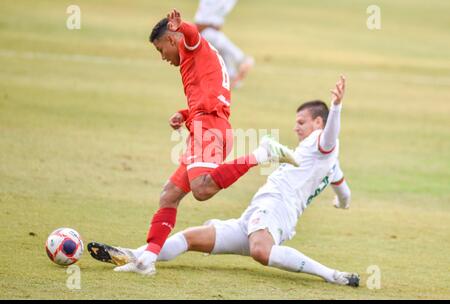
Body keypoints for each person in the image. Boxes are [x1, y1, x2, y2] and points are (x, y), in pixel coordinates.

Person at [88, 76, 359, 286]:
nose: (296, 127)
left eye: (301, 122)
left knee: (261, 252)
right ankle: (136, 255)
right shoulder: (331, 165)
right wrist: (341, 202)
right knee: (191, 238)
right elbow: (344, 192)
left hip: (276, 209)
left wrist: (336, 107)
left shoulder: (321, 142)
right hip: (256, 215)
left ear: (318, 122)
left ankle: (332, 275)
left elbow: (330, 137)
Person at [126, 9, 297, 276]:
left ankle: (263, 153)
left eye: (161, 50)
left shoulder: (193, 47)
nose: (162, 57)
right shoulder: (193, 62)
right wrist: (184, 114)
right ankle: (147, 259)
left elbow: (193, 35)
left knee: (202, 190)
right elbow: (210, 93)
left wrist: (182, 26)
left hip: (210, 126)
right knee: (169, 195)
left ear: (172, 40)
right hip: (203, 124)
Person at [194, 0, 254, 88]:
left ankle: (233, 71)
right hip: (208, 33)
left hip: (208, 32)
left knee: (223, 56)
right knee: (224, 54)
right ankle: (240, 62)